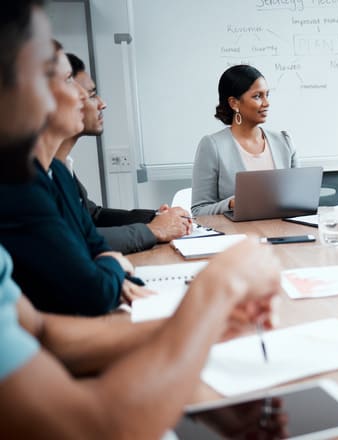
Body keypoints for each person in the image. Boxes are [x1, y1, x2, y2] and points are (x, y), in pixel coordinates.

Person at [0, 3, 281, 437]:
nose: (80, 95)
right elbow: (91, 424)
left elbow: (44, 334)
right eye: (54, 75)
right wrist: (215, 290)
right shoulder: (18, 190)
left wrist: (204, 330)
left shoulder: (46, 174)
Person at [0, 40, 147, 315]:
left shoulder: (60, 175)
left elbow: (96, 250)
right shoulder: (17, 188)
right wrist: (113, 266)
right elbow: (93, 290)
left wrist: (110, 271)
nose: (83, 96)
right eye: (69, 80)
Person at [55, 53, 190, 254]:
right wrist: (153, 230)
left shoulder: (61, 165)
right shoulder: (30, 174)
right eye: (91, 94)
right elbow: (71, 241)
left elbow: (93, 215)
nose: (102, 103)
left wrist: (154, 217)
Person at [191, 64, 297, 216]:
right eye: (257, 96)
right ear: (234, 103)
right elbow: (199, 211)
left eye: (267, 95)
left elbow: (298, 199)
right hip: (238, 236)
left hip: (282, 233)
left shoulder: (284, 142)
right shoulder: (212, 146)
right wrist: (232, 203)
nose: (266, 103)